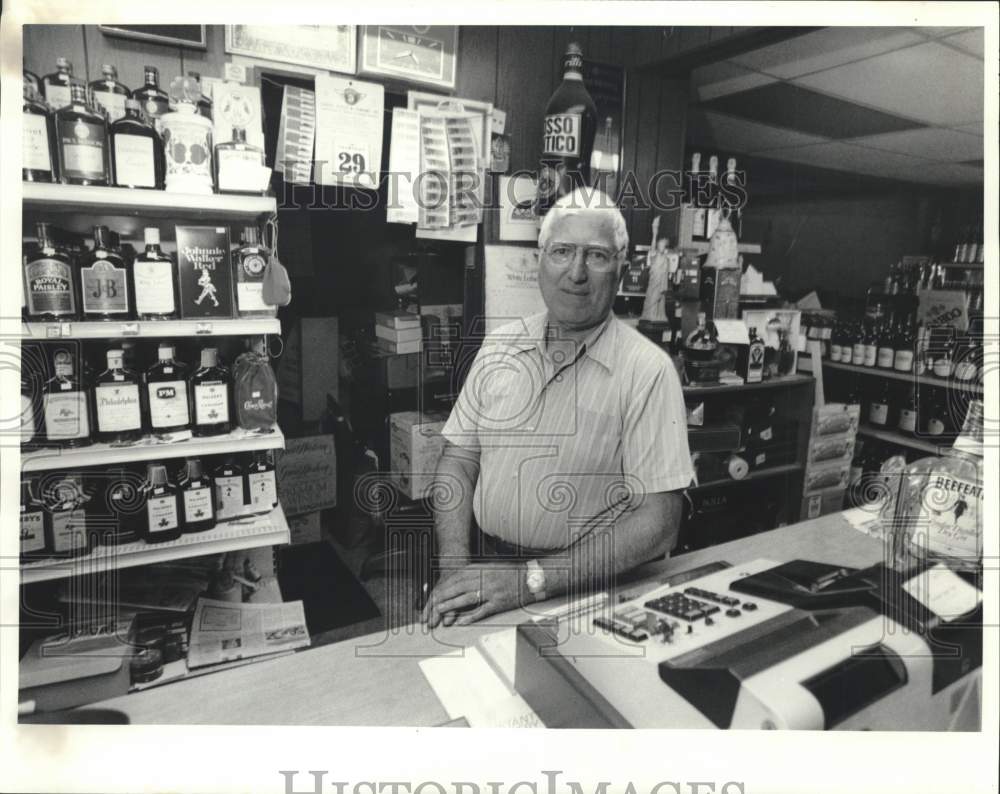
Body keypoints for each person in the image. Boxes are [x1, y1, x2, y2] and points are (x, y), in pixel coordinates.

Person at [421, 188, 694, 628]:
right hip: (485, 571)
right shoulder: (497, 348)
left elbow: (659, 522)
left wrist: (531, 580)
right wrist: (455, 566)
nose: (577, 272)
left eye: (597, 256)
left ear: (621, 271)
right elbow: (458, 460)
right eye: (562, 251)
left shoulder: (648, 372)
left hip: (582, 588)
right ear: (540, 261)